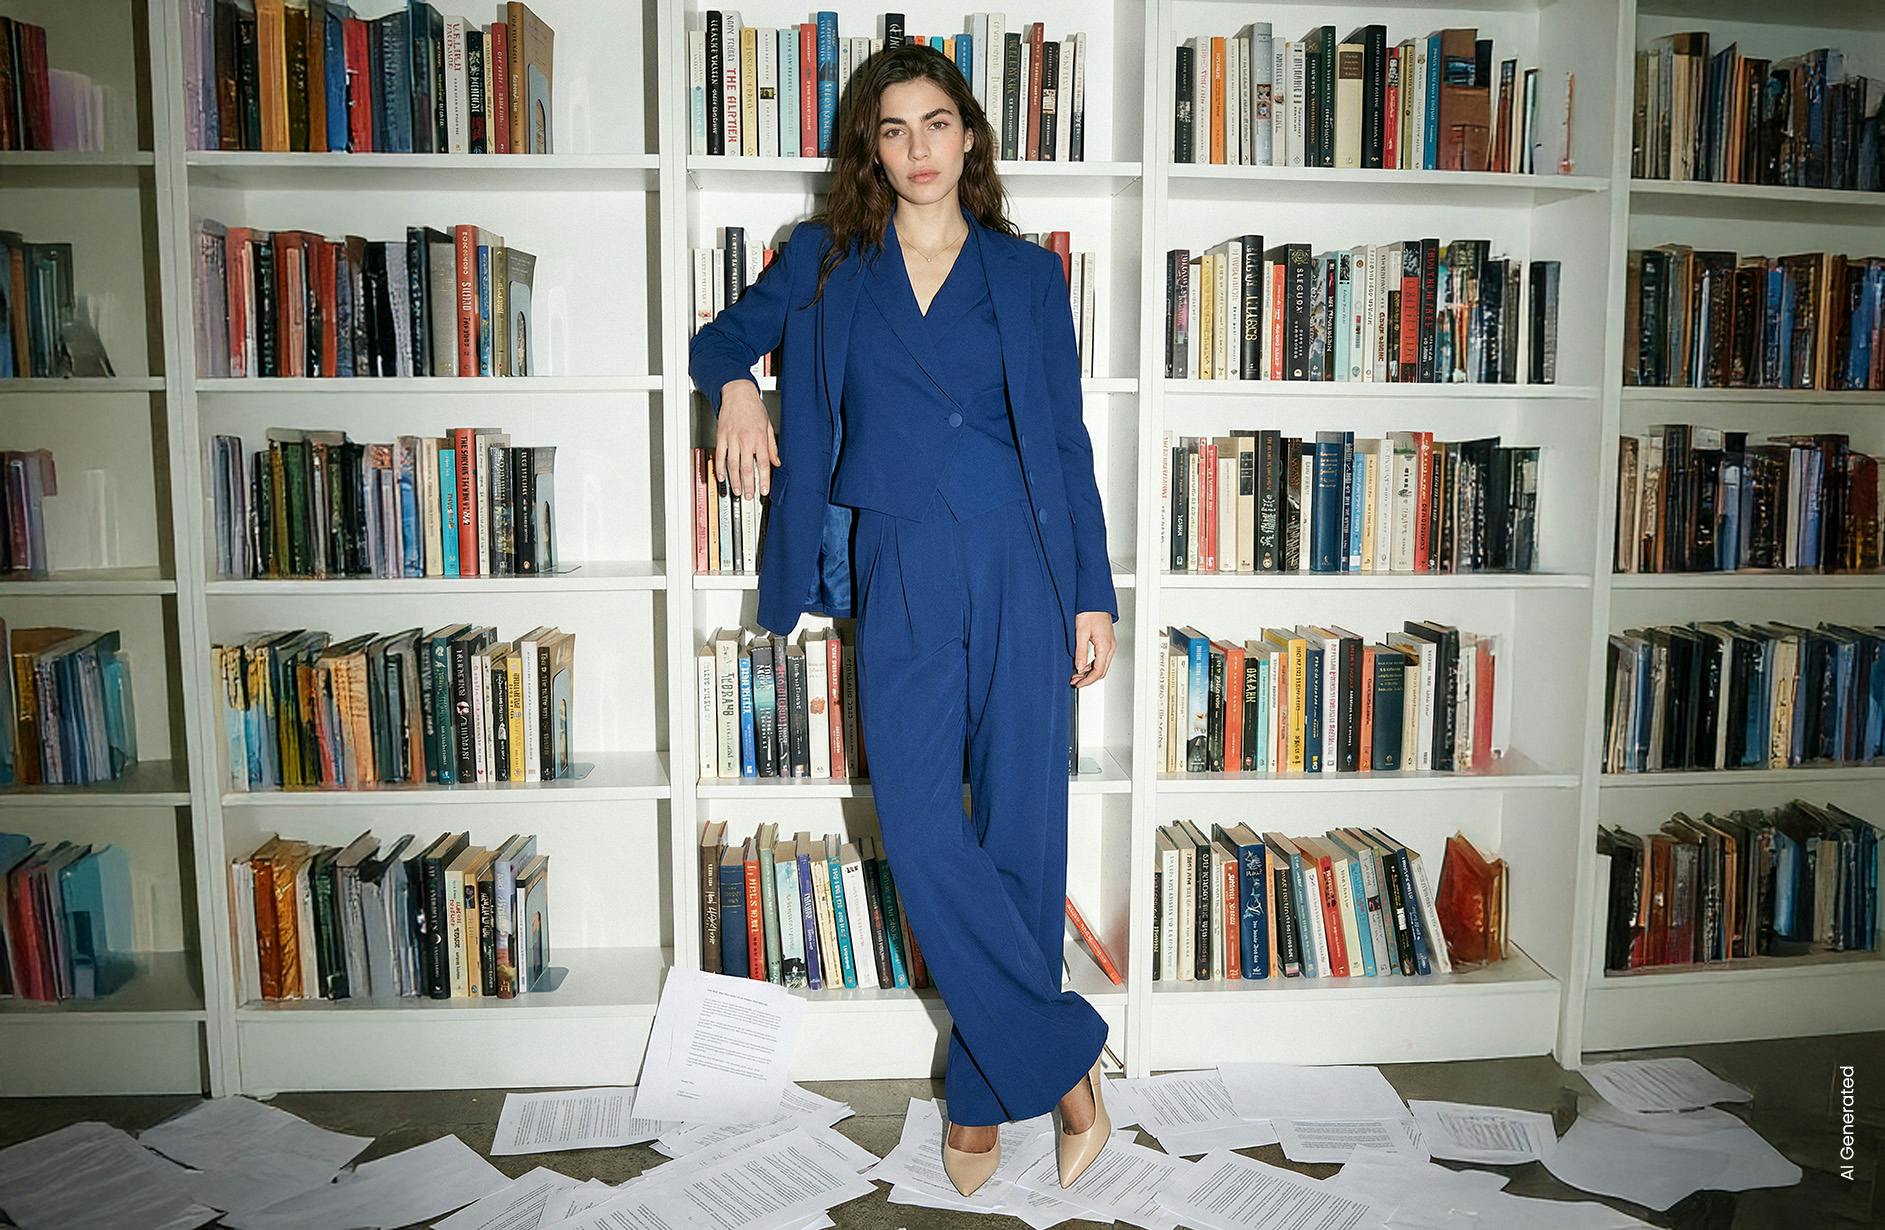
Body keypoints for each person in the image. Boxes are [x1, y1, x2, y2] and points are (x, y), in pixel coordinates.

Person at [687, 43, 1118, 1196]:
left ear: (969, 136)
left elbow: (1065, 446)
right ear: (868, 147)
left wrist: (1093, 591)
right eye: (894, 129)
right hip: (901, 565)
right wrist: (737, 384)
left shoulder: (1027, 279)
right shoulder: (828, 261)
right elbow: (718, 339)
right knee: (925, 834)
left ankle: (978, 1101)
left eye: (937, 124)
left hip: (1025, 569)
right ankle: (1070, 1064)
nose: (919, 149)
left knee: (1023, 836)